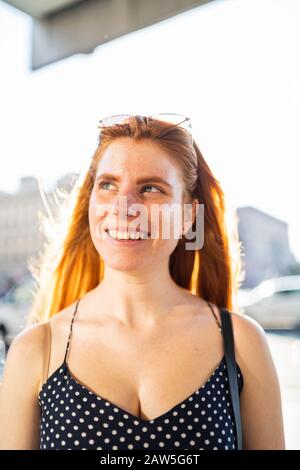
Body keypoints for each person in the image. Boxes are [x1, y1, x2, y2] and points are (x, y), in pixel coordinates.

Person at [0, 114, 285, 450]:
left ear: (188, 216)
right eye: (107, 185)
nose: (124, 207)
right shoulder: (37, 349)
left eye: (151, 188)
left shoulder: (242, 343)